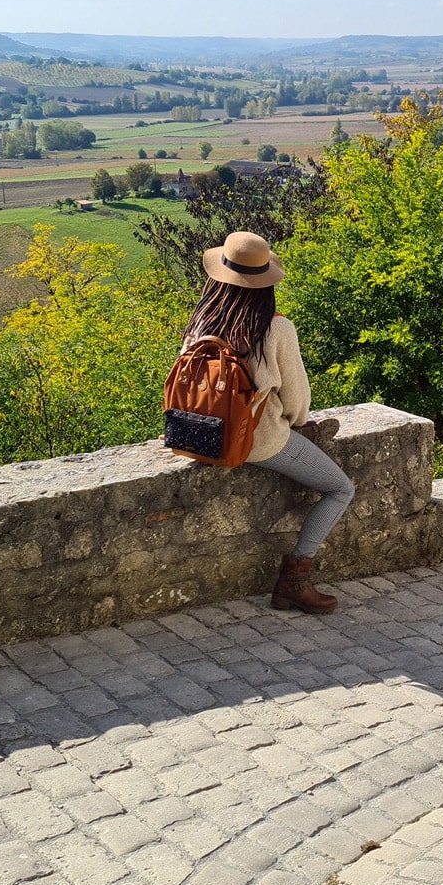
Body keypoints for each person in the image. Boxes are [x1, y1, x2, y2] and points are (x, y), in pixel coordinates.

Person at [182, 231, 353, 614]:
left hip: (199, 434)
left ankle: (294, 582)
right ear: (264, 283)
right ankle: (294, 580)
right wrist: (295, 425)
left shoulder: (201, 322)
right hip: (257, 441)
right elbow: (296, 401)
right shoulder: (276, 328)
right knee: (340, 489)